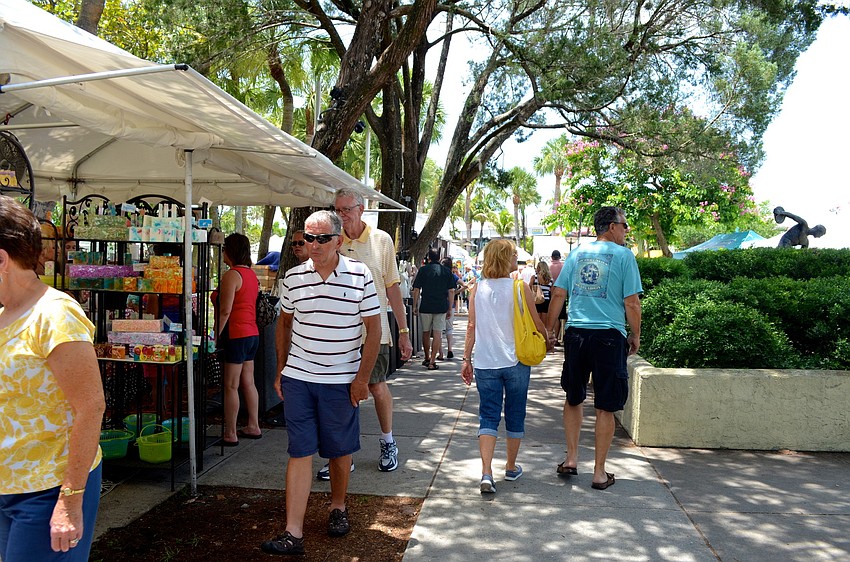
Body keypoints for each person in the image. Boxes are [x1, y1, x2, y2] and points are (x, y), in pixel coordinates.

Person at [262, 210, 380, 556]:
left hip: (342, 381)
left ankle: (338, 507)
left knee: (338, 449)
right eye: (307, 238)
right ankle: (293, 533)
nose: (313, 244)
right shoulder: (294, 278)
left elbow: (374, 330)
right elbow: (284, 324)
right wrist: (282, 368)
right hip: (299, 378)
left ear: (338, 241)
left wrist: (361, 379)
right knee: (299, 451)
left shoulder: (360, 276)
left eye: (321, 238)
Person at [0, 195, 106, 560]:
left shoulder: (55, 315)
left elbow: (91, 407)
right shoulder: (4, 314)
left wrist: (70, 500)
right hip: (7, 486)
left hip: (47, 492)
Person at [544, 206, 642, 491]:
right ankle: (599, 473)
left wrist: (551, 331)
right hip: (609, 336)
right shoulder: (625, 257)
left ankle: (572, 459)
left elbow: (559, 293)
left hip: (577, 335)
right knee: (606, 406)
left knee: (573, 397)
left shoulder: (576, 254)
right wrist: (635, 334)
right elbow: (632, 302)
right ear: (612, 226)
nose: (626, 231)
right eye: (624, 226)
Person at [331, 189, 412, 477]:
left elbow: (392, 287)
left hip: (374, 334)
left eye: (347, 209)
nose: (342, 215)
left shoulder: (381, 241)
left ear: (361, 209)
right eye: (338, 210)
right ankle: (343, 455)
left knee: (376, 387)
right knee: (341, 392)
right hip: (339, 333)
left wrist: (403, 331)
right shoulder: (333, 241)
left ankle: (389, 443)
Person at [460, 239, 548, 494]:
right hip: (516, 361)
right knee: (515, 412)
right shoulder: (519, 287)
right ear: (504, 258)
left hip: (486, 362)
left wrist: (466, 359)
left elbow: (471, 327)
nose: (515, 260)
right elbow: (535, 323)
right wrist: (546, 339)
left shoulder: (477, 288)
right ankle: (510, 467)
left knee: (487, 415)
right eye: (512, 256)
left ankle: (487, 472)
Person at [211, 233, 262, 446]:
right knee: (248, 381)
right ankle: (254, 424)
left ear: (229, 251)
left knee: (231, 385)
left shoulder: (232, 275)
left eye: (224, 249)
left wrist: (215, 336)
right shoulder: (251, 274)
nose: (222, 253)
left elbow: (225, 310)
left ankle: (230, 432)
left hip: (236, 334)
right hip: (252, 333)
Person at [412, 249, 456, 370]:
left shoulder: (423, 270)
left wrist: (415, 305)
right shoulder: (446, 271)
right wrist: (450, 308)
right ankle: (432, 361)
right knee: (437, 333)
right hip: (441, 306)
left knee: (425, 332)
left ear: (429, 257)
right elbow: (451, 290)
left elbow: (416, 289)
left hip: (426, 305)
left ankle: (426, 357)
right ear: (439, 257)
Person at [548, 250, 565, 345]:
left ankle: (550, 335)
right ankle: (557, 338)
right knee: (559, 316)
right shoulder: (563, 266)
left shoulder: (549, 266)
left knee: (550, 314)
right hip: (561, 292)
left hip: (549, 293)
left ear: (552, 257)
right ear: (559, 257)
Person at [533, 260, 553, 331]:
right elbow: (552, 291)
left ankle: (538, 337)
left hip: (537, 300)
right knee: (544, 322)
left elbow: (530, 287)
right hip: (546, 300)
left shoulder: (535, 277)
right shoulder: (550, 279)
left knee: (537, 321)